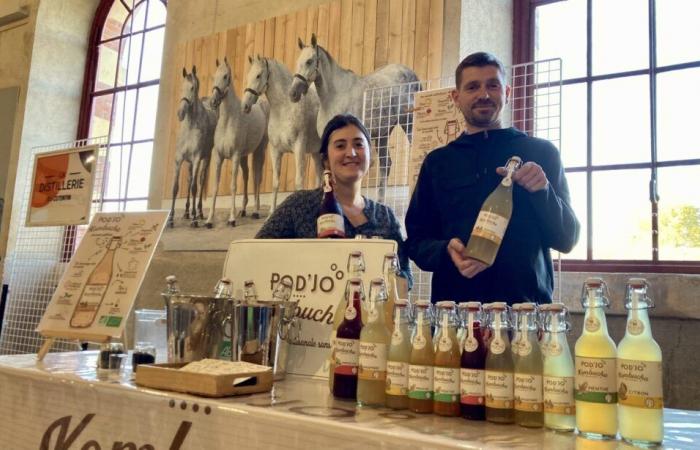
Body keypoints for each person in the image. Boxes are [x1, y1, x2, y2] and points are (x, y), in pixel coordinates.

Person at [405, 52, 579, 303]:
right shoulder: (437, 162)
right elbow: (417, 241)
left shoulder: (542, 153)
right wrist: (444, 251)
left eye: (492, 85)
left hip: (526, 316)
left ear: (507, 91)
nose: (483, 95)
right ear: (456, 97)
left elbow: (567, 239)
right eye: (473, 87)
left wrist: (544, 191)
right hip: (455, 317)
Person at [256, 113, 412, 289]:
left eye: (359, 144)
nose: (351, 153)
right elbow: (257, 253)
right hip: (309, 315)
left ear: (370, 155)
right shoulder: (299, 205)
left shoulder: (385, 216)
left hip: (371, 314)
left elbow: (406, 277)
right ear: (326, 161)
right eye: (340, 146)